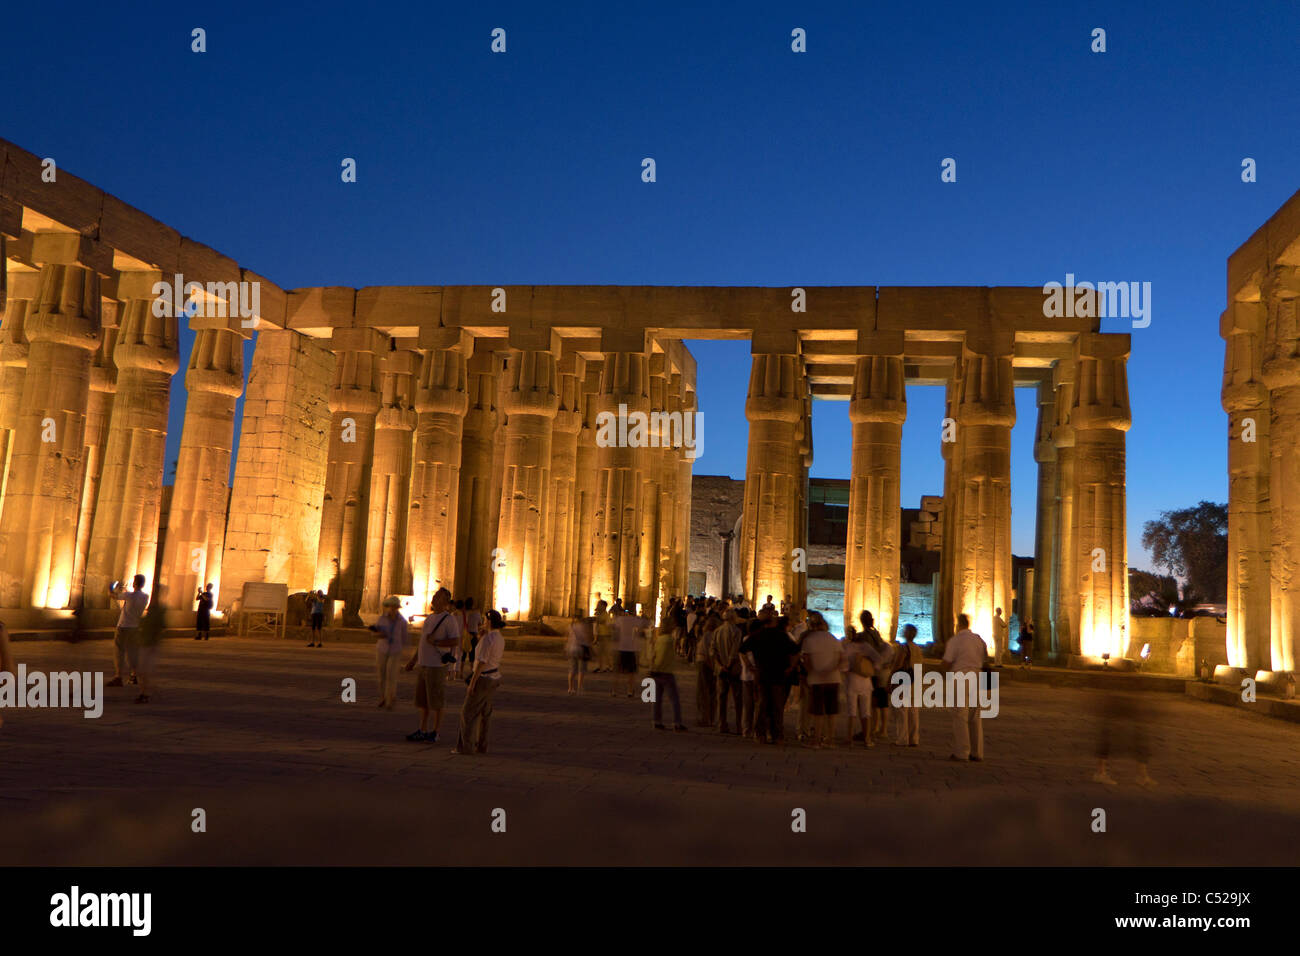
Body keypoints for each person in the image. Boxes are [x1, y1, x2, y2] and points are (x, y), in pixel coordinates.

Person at [404, 588, 461, 742]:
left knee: (436, 701)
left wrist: (436, 642)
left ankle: (436, 732)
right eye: (435, 595)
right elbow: (423, 642)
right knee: (422, 701)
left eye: (437, 596)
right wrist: (413, 661)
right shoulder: (430, 618)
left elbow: (455, 641)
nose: (434, 598)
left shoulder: (449, 620)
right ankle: (422, 729)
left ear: (445, 602)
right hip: (424, 664)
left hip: (436, 666)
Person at [739, 607, 799, 744]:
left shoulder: (757, 635)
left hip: (762, 674)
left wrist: (749, 666)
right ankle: (776, 735)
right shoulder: (782, 636)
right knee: (777, 707)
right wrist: (790, 667)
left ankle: (761, 734)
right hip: (778, 674)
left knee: (762, 705)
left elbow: (742, 650)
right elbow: (796, 651)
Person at [453, 609, 504, 755]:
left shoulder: (488, 639)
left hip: (483, 679)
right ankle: (482, 745)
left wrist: (472, 683)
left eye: (485, 620)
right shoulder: (499, 637)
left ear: (489, 622)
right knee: (485, 713)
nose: (482, 622)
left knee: (467, 713)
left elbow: (481, 662)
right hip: (494, 677)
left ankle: (466, 747)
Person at [944, 613, 988, 762]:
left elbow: (947, 661)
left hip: (961, 677)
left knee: (960, 715)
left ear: (958, 624)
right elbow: (985, 657)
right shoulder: (978, 639)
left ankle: (962, 752)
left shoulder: (955, 640)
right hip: (977, 676)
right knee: (975, 716)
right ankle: (977, 752)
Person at [799, 612, 841, 748]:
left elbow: (806, 660)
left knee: (818, 712)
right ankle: (830, 740)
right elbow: (840, 658)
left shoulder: (809, 640)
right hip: (833, 679)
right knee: (831, 712)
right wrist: (830, 670)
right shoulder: (833, 638)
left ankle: (816, 740)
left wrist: (814, 673)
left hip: (817, 680)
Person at [841, 621, 885, 747]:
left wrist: (848, 669)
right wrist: (871, 668)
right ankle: (867, 739)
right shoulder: (866, 646)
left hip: (852, 681)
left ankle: (849, 739)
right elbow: (879, 659)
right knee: (866, 712)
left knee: (852, 712)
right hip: (866, 681)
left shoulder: (847, 647)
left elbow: (843, 667)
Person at [649, 610, 688, 732]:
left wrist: (652, 668)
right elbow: (662, 656)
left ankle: (657, 721)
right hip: (665, 672)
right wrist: (658, 668)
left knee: (657, 699)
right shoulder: (669, 640)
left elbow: (654, 655)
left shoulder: (659, 639)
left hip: (656, 672)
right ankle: (677, 723)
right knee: (674, 699)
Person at [107, 575, 149, 687]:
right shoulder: (145, 597)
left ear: (135, 583)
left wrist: (111, 587)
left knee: (119, 651)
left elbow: (113, 596)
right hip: (135, 627)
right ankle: (133, 675)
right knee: (133, 652)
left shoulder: (129, 595)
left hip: (123, 626)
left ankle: (118, 676)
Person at [370, 596, 407, 709]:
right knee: (382, 675)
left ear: (397, 608)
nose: (392, 609)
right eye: (390, 607)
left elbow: (405, 637)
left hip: (395, 650)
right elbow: (375, 633)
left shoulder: (402, 621)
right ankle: (383, 697)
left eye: (394, 607)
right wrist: (379, 634)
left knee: (391, 675)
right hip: (382, 648)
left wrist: (405, 653)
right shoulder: (382, 619)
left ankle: (390, 699)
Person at [710, 609, 744, 734]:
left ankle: (721, 724)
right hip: (733, 669)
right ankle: (740, 725)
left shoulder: (717, 631)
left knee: (721, 698)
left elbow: (712, 651)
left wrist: (720, 665)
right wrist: (728, 665)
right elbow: (734, 651)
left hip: (720, 669)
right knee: (737, 699)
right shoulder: (736, 631)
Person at [891, 624, 922, 746]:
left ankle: (902, 739)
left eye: (904, 630)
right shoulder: (918, 649)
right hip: (916, 682)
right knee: (914, 712)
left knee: (902, 711)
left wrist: (891, 678)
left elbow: (897, 664)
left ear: (907, 633)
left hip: (904, 681)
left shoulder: (904, 648)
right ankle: (914, 738)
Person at [612, 603, 646, 698]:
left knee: (617, 671)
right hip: (631, 648)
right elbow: (641, 629)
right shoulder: (636, 620)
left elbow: (615, 630)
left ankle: (614, 690)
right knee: (631, 672)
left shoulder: (620, 620)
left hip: (621, 647)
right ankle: (630, 691)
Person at [694, 613, 719, 726]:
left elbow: (708, 653)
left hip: (705, 665)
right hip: (709, 665)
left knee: (704, 692)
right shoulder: (713, 635)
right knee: (710, 693)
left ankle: (705, 718)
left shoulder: (708, 636)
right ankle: (710, 717)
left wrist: (712, 666)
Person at [565, 616, 594, 694]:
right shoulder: (585, 627)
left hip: (572, 648)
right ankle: (580, 687)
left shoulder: (571, 626)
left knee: (572, 669)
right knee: (582, 669)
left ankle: (570, 688)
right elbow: (587, 639)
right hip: (582, 648)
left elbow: (567, 638)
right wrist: (591, 648)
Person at [461, 597, 483, 678]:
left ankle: (460, 672)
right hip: (473, 634)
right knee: (472, 654)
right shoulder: (477, 613)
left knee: (463, 654)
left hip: (465, 634)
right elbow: (480, 624)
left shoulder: (464, 613)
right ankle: (472, 671)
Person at [593, 600, 613, 673]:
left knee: (607, 652)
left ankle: (609, 667)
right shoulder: (599, 614)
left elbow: (608, 624)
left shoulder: (606, 615)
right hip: (600, 635)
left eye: (599, 605)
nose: (598, 606)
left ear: (604, 606)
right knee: (599, 653)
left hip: (606, 636)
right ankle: (600, 667)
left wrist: (601, 621)